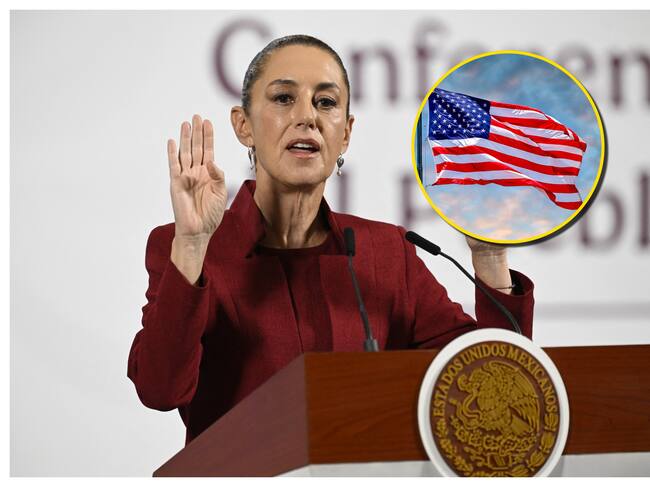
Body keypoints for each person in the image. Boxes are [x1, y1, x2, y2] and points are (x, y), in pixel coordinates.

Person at [127, 35, 534, 446]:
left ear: (346, 134)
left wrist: (490, 257)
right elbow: (161, 391)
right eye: (284, 98)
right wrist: (193, 245)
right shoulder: (186, 248)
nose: (307, 117)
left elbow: (496, 384)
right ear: (243, 125)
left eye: (325, 102)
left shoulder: (386, 252)